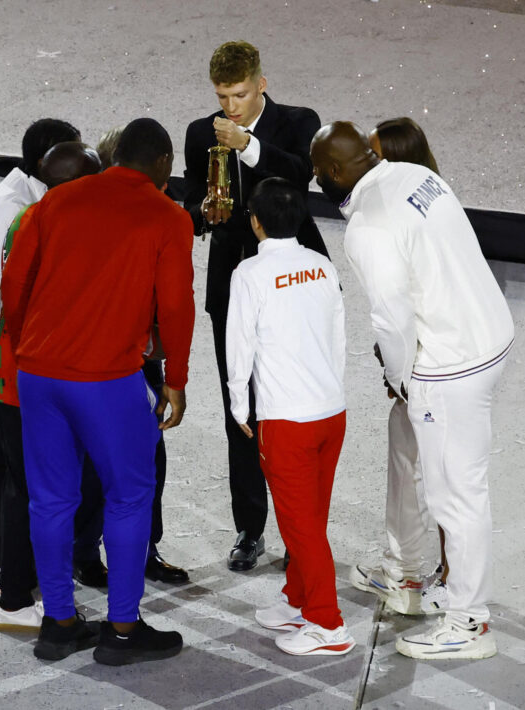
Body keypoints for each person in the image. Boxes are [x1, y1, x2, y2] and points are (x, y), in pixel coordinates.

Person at [310, 122, 514, 660]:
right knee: (408, 449)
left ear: (332, 173)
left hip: (450, 367)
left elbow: (392, 320)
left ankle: (469, 623)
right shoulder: (416, 176)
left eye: (317, 171)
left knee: (457, 493)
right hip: (487, 332)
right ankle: (404, 579)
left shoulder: (367, 229)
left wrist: (402, 379)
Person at [1, 118, 195, 666]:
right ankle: (123, 629)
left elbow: (15, 278)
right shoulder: (166, 215)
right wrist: (176, 379)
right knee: (130, 495)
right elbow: (176, 306)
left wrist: (25, 342)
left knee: (51, 498)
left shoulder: (59, 200)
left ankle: (59, 624)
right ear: (162, 165)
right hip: (106, 381)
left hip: (39, 373)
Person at [182, 40, 330, 572]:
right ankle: (250, 528)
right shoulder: (201, 134)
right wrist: (203, 212)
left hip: (293, 279)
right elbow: (195, 202)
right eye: (222, 95)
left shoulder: (296, 121)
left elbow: (299, 177)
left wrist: (246, 144)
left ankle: (298, 532)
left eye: (240, 94)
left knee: (294, 407)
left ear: (260, 84)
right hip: (232, 285)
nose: (230, 105)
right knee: (238, 411)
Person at [0, 118, 80, 599]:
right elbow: (7, 299)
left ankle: (10, 562)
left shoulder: (29, 199)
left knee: (8, 461)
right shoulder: (12, 209)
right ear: (49, 159)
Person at [226, 178, 354, 656]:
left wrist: (240, 405)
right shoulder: (322, 266)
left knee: (301, 527)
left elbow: (239, 348)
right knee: (311, 518)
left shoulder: (249, 275)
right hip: (330, 412)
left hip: (286, 421)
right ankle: (297, 599)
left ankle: (328, 625)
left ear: (255, 222)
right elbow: (339, 336)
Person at [0, 142, 102, 633]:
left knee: (27, 483)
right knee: (29, 486)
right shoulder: (53, 228)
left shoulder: (33, 219)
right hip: (21, 376)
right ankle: (13, 600)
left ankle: (22, 592)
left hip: (12, 370)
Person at [70, 126, 190, 586]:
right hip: (102, 362)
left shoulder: (158, 216)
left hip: (142, 363)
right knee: (96, 462)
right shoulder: (91, 220)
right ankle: (85, 551)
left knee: (149, 458)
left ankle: (144, 548)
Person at [350, 117, 450, 614]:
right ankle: (407, 572)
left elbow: (399, 308)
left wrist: (400, 375)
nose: (367, 166)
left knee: (433, 473)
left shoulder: (393, 216)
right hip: (429, 362)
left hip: (429, 367)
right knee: (415, 462)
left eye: (375, 156)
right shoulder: (433, 199)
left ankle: (423, 579)